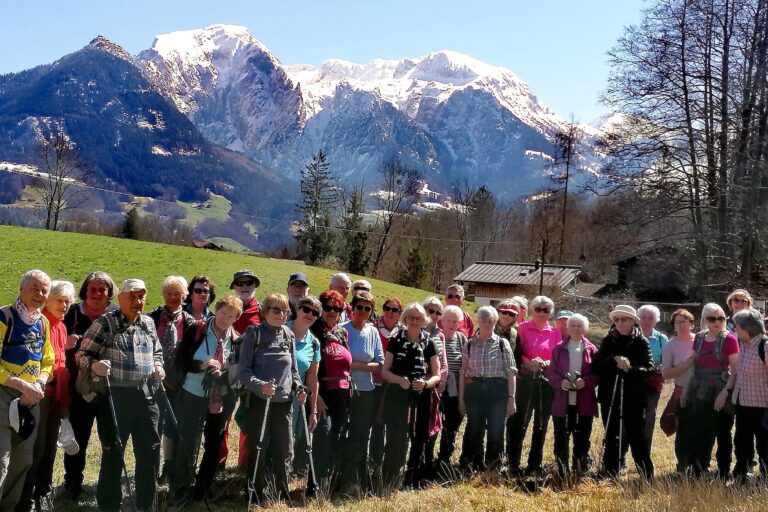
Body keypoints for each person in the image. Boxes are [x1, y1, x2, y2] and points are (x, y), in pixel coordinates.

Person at [76, 278, 165, 512]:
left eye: (142, 296)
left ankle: (147, 504)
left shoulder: (148, 323)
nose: (138, 301)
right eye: (132, 296)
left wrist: (158, 366)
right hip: (115, 397)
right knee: (114, 452)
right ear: (120, 298)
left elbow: (157, 351)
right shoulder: (105, 323)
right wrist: (94, 365)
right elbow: (81, 354)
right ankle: (109, 506)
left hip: (147, 395)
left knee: (150, 451)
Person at [170, 295, 242, 506]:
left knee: (213, 444)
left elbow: (237, 370)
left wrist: (226, 370)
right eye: (222, 312)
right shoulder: (197, 329)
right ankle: (181, 490)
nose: (225, 318)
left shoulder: (237, 339)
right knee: (188, 441)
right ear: (216, 310)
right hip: (192, 393)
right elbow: (181, 360)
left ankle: (201, 491)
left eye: (231, 315)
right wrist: (202, 365)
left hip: (221, 397)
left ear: (236, 318)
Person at [239, 294, 305, 505]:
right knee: (258, 448)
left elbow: (294, 371)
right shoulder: (254, 334)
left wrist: (300, 387)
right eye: (276, 310)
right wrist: (261, 386)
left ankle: (282, 495)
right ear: (265, 311)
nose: (281, 314)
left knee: (285, 449)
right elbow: (244, 372)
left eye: (285, 311)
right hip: (259, 401)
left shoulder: (289, 335)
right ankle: (254, 495)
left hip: (284, 402)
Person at [17, 280, 74, 512]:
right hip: (40, 394)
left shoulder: (61, 326)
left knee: (50, 447)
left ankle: (44, 495)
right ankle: (27, 499)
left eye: (68, 302)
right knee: (37, 449)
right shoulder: (39, 324)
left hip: (57, 395)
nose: (64, 306)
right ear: (48, 300)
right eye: (60, 300)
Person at [62, 271, 118, 500]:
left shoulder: (116, 313)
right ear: (85, 290)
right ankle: (72, 482)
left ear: (109, 293)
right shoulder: (73, 313)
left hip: (108, 387)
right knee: (78, 436)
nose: (96, 294)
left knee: (110, 438)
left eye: (102, 290)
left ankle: (108, 484)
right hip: (78, 387)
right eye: (92, 289)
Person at [0, 270, 53, 512]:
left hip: (31, 399)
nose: (40, 294)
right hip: (4, 395)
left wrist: (40, 383)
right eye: (35, 288)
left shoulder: (43, 323)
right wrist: (21, 385)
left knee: (23, 459)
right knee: (1, 460)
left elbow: (48, 360)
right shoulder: (4, 317)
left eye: (44, 290)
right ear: (21, 289)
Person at [381, 303, 440, 487]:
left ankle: (412, 478)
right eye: (411, 317)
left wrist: (426, 383)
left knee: (420, 436)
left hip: (422, 395)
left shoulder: (429, 342)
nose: (415, 321)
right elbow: (385, 371)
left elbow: (437, 374)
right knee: (396, 435)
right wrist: (399, 380)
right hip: (397, 395)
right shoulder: (396, 340)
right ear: (405, 318)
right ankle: (390, 477)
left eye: (419, 318)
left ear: (424, 321)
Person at [593, 305, 654, 479]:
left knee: (637, 437)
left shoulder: (641, 341)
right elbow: (596, 366)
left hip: (633, 397)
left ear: (633, 322)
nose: (619, 323)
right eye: (617, 319)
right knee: (611, 435)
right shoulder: (608, 340)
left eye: (624, 319)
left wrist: (630, 369)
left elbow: (649, 369)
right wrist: (613, 360)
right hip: (609, 396)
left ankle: (646, 474)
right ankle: (610, 472)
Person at [682, 302, 738, 478]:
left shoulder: (729, 339)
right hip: (700, 390)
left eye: (721, 318)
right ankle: (699, 469)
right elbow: (693, 365)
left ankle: (723, 472)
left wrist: (725, 393)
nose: (717, 322)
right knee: (700, 430)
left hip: (721, 389)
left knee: (723, 432)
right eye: (712, 318)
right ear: (705, 319)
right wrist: (685, 391)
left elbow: (735, 371)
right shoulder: (698, 337)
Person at [148, 276, 195, 482]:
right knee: (153, 425)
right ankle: (151, 468)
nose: (173, 297)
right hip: (153, 379)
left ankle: (169, 466)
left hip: (179, 381)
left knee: (174, 426)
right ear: (163, 294)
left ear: (185, 296)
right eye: (169, 293)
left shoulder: (191, 322)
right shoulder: (151, 318)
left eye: (178, 294)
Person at [506, 295, 560, 475]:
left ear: (551, 313)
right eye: (538, 308)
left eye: (546, 309)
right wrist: (528, 363)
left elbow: (558, 356)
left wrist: (546, 362)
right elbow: (514, 352)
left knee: (541, 425)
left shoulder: (555, 332)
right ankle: (513, 463)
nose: (542, 312)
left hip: (546, 384)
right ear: (531, 310)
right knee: (519, 423)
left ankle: (534, 464)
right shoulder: (522, 328)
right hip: (525, 381)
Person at [458, 306, 516, 471]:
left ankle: (493, 466)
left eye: (490, 321)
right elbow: (462, 373)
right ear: (478, 321)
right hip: (475, 391)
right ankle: (472, 464)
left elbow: (511, 372)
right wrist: (461, 400)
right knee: (474, 428)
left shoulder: (502, 344)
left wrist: (511, 399)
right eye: (483, 320)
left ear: (495, 322)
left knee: (496, 429)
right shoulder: (469, 345)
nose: (487, 324)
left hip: (497, 390)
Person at [716, 308, 768, 482]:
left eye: (737, 327)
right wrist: (725, 391)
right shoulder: (744, 345)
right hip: (743, 405)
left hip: (763, 407)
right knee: (742, 443)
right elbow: (736, 373)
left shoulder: (764, 346)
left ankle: (765, 479)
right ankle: (741, 476)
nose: (735, 330)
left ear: (748, 328)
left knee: (765, 446)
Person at [308, 290, 352, 494]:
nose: (332, 311)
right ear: (320, 308)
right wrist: (316, 398)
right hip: (322, 391)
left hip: (342, 393)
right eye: (328, 307)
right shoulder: (314, 331)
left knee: (338, 436)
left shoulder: (343, 332)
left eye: (337, 308)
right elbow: (309, 368)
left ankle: (331, 484)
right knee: (322, 439)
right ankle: (314, 487)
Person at [546, 313, 598, 476]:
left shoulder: (592, 349)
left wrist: (586, 382)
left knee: (582, 438)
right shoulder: (559, 348)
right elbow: (551, 373)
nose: (576, 328)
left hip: (584, 402)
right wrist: (560, 383)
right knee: (561, 437)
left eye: (579, 325)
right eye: (573, 325)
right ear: (567, 328)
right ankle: (561, 471)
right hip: (562, 401)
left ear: (585, 328)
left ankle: (580, 470)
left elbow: (597, 374)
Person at [342, 291, 384, 490]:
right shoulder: (342, 330)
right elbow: (338, 363)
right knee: (342, 432)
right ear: (353, 308)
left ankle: (357, 479)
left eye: (368, 308)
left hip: (366, 391)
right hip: (343, 389)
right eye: (360, 307)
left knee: (361, 434)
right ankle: (340, 475)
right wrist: (361, 364)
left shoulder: (373, 332)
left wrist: (356, 365)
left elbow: (379, 364)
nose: (363, 311)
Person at [225, 269, 262, 468]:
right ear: (234, 287)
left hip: (253, 372)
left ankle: (245, 464)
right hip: (227, 371)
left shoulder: (263, 311)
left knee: (248, 419)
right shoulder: (226, 309)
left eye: (250, 283)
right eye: (240, 283)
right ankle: (219, 462)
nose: (245, 287)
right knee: (223, 417)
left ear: (255, 286)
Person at [413, 296, 448, 484]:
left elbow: (443, 363)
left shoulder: (440, 334)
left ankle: (427, 467)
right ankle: (414, 469)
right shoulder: (412, 331)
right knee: (416, 431)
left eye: (438, 312)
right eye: (431, 311)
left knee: (432, 430)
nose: (434, 315)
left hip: (434, 388)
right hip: (417, 387)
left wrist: (441, 380)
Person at [288, 296, 321, 475]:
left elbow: (312, 380)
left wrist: (313, 411)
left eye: (315, 312)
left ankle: (278, 482)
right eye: (306, 309)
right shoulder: (280, 329)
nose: (310, 314)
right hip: (271, 394)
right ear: (298, 309)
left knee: (289, 441)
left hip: (296, 399)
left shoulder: (314, 343)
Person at [370, 297, 403, 472]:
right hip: (372, 382)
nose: (390, 312)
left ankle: (389, 464)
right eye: (387, 308)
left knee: (390, 424)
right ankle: (373, 461)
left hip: (393, 385)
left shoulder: (403, 333)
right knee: (375, 425)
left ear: (400, 314)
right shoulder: (372, 327)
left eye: (395, 310)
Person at [661, 309, 695, 472]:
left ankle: (699, 465)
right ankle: (682, 465)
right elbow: (666, 374)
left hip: (703, 391)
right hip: (681, 391)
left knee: (701, 428)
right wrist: (686, 365)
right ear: (673, 326)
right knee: (682, 429)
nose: (681, 325)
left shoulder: (701, 340)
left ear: (692, 324)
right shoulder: (670, 346)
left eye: (685, 321)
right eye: (677, 322)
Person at [437, 305, 467, 468]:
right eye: (448, 320)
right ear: (442, 320)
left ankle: (445, 457)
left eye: (455, 321)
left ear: (459, 323)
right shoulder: (436, 337)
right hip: (438, 386)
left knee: (453, 423)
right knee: (435, 422)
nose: (451, 323)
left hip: (456, 387)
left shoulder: (462, 339)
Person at [637, 304, 668, 454]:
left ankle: (645, 453)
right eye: (643, 317)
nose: (646, 321)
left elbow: (668, 362)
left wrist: (661, 367)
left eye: (651, 318)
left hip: (652, 384)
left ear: (656, 320)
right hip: (633, 382)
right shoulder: (631, 336)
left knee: (649, 417)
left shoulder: (662, 339)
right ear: (638, 318)